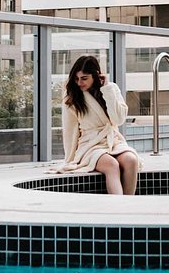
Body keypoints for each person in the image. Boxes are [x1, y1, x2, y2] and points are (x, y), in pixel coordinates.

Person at [52, 55, 140, 195]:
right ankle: (120, 205)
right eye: (76, 78)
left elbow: (118, 120)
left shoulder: (111, 88)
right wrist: (70, 158)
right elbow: (70, 129)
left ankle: (128, 203)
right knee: (112, 165)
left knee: (131, 160)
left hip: (113, 140)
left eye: (84, 78)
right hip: (90, 144)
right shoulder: (71, 96)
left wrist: (107, 89)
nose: (79, 83)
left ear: (96, 75)